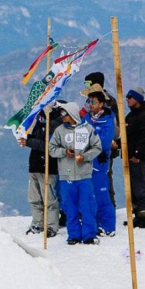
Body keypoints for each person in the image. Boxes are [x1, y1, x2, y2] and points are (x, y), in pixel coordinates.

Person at [49, 102, 102, 245]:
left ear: (72, 113)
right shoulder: (59, 131)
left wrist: (85, 156)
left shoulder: (87, 129)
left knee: (87, 206)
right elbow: (51, 149)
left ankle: (89, 234)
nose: (62, 116)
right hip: (66, 176)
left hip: (84, 175)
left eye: (64, 113)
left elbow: (97, 147)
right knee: (69, 207)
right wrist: (64, 152)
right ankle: (73, 235)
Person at [18, 108, 61, 237]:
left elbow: (49, 146)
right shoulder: (40, 119)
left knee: (49, 199)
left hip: (48, 166)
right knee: (35, 198)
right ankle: (38, 223)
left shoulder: (55, 124)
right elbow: (37, 139)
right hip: (35, 165)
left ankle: (51, 226)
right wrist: (26, 137)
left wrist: (29, 142)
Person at [81, 71, 120, 208]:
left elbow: (114, 127)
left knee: (104, 177)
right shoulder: (90, 101)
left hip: (103, 148)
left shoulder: (107, 102)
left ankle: (109, 205)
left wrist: (111, 142)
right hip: (89, 148)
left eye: (87, 83)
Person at [83, 85, 117, 237]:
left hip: (99, 162)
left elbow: (104, 141)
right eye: (89, 101)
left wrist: (90, 147)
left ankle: (108, 225)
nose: (91, 105)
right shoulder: (86, 119)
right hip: (86, 162)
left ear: (101, 103)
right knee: (90, 194)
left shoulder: (108, 119)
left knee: (102, 194)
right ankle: (94, 223)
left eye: (94, 102)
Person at [122, 87, 145, 229]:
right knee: (133, 187)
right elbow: (126, 136)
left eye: (130, 97)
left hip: (138, 158)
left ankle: (144, 218)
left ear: (138, 99)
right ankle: (137, 214)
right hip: (129, 157)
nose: (127, 100)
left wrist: (137, 155)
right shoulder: (130, 116)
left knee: (141, 186)